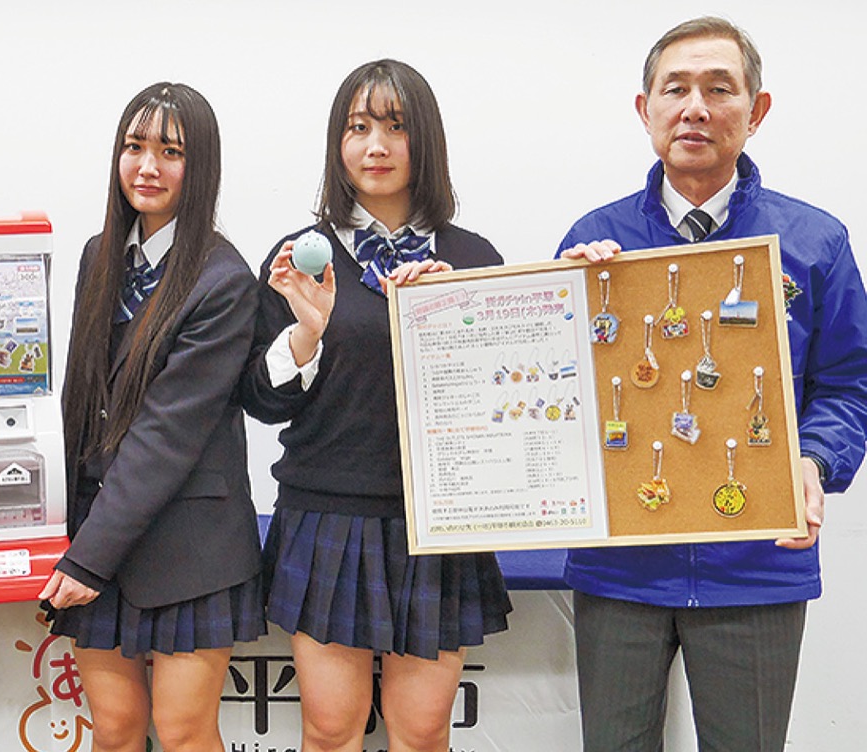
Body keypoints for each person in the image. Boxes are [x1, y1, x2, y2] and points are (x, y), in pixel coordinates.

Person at [558, 17, 867, 751]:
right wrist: (563, 308)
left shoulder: (813, 242)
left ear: (756, 111)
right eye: (676, 89)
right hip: (621, 566)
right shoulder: (595, 243)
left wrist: (812, 461)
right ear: (646, 110)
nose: (695, 107)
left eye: (719, 89)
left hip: (756, 565)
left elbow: (850, 382)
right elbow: (551, 398)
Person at [241, 59, 512, 752]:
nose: (376, 146)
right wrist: (308, 331)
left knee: (421, 732)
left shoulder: (471, 257)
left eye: (395, 126)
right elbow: (262, 402)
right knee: (332, 729)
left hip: (440, 521)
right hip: (330, 510)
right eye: (358, 128)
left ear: (425, 139)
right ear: (338, 143)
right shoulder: (300, 259)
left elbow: (508, 401)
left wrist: (457, 312)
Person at [37, 83, 264, 752]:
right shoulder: (98, 255)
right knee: (113, 729)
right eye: (134, 147)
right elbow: (82, 401)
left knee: (185, 732)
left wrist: (88, 557)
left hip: (191, 544)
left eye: (171, 151)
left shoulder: (223, 280)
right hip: (102, 528)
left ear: (201, 166)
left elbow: (167, 434)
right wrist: (50, 531)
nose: (147, 166)